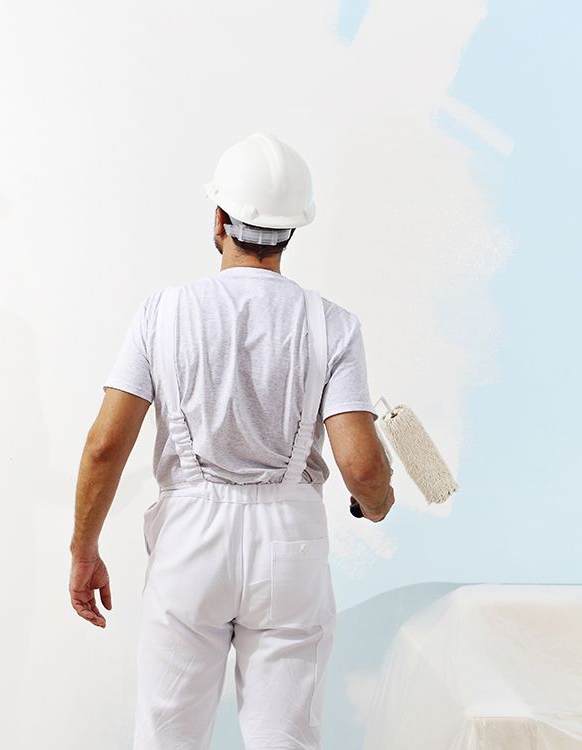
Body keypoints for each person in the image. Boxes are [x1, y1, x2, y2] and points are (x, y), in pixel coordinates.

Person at [68, 132, 395, 749]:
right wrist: (376, 502)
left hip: (189, 540)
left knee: (168, 738)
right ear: (294, 230)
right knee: (285, 739)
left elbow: (105, 446)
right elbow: (361, 464)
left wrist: (84, 550)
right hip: (288, 547)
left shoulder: (160, 315)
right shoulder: (333, 326)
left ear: (219, 218)